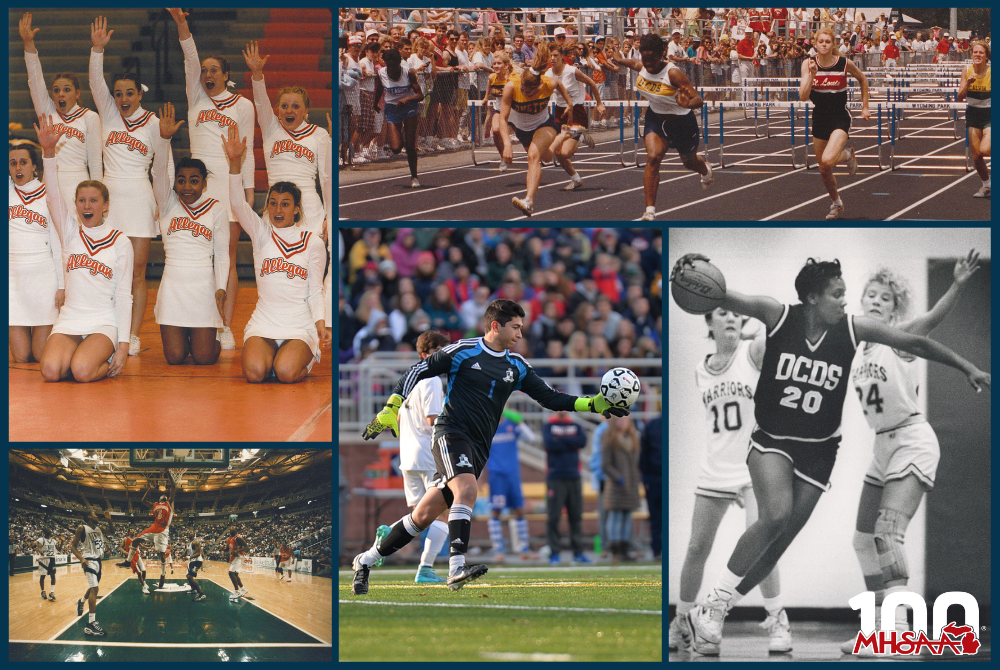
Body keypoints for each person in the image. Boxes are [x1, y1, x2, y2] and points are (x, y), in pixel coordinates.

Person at [672, 254, 990, 656]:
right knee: (791, 519)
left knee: (789, 541)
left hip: (841, 447)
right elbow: (725, 296)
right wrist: (691, 275)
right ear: (812, 297)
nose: (850, 301)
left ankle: (713, 610)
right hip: (778, 439)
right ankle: (717, 609)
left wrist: (966, 365)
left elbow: (917, 339)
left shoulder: (861, 332)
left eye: (864, 295)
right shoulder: (780, 315)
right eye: (842, 294)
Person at [353, 299, 628, 594]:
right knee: (467, 491)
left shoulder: (517, 365)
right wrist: (391, 406)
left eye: (522, 328)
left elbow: (550, 398)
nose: (520, 334)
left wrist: (593, 403)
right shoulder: (462, 351)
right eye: (516, 327)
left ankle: (365, 561)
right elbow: (418, 370)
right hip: (450, 433)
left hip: (479, 446)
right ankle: (456, 568)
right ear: (495, 326)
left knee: (422, 517)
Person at [839, 251, 980, 653]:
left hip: (912, 439)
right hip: (882, 445)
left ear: (894, 308)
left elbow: (932, 320)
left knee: (888, 532)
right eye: (873, 295)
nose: (878, 301)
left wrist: (956, 283)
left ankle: (898, 629)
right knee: (863, 540)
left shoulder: (899, 338)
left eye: (886, 297)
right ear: (861, 301)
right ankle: (875, 627)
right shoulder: (854, 348)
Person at [668, 309, 789, 654]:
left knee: (762, 545)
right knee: (696, 548)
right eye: (723, 313)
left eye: (736, 313)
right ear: (709, 322)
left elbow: (777, 333)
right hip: (715, 469)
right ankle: (682, 621)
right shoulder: (699, 370)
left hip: (754, 468)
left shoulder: (752, 352)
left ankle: (778, 619)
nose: (731, 318)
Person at [167, 9, 255, 350]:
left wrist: (247, 194)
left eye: (213, 69)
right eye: (204, 70)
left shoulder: (243, 105)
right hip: (194, 185)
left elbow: (245, 149)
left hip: (227, 184)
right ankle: (199, 318)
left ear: (226, 75)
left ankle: (224, 325)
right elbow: (189, 57)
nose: (206, 73)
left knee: (227, 257)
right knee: (199, 256)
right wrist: (182, 25)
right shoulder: (196, 98)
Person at [222, 125, 331, 383]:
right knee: (255, 373)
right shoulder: (261, 233)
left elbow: (315, 290)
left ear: (296, 209)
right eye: (273, 203)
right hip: (265, 322)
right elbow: (237, 204)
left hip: (299, 325)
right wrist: (235, 163)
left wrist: (320, 323)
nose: (277, 210)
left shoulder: (312, 242)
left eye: (285, 204)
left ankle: (303, 358)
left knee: (285, 373)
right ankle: (271, 355)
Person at [90, 16, 168, 357]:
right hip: (110, 198)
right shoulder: (107, 115)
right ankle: (105, 328)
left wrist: (161, 204)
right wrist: (97, 50)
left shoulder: (153, 123)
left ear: (140, 94)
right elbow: (95, 83)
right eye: (118, 93)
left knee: (137, 271)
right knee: (107, 267)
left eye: (129, 93)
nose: (123, 98)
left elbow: (163, 168)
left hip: (138, 196)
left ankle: (132, 335)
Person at [36, 115, 132, 382]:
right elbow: (53, 194)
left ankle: (100, 356)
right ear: (75, 204)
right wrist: (48, 153)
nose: (87, 206)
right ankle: (80, 353)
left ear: (106, 205)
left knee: (81, 372)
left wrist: (123, 344)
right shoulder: (69, 232)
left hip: (103, 320)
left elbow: (124, 296)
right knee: (51, 371)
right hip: (71, 318)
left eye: (93, 201)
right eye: (81, 201)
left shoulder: (120, 241)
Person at [152, 102, 229, 365]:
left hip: (202, 286)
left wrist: (220, 287)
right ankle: (184, 336)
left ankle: (207, 338)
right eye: (181, 180)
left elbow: (221, 253)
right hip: (173, 284)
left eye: (194, 181)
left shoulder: (215, 209)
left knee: (205, 358)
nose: (187, 186)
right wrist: (164, 140)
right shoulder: (167, 204)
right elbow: (158, 173)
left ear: (204, 184)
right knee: (174, 357)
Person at [611, 33, 714, 222]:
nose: (648, 63)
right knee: (653, 157)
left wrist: (687, 104)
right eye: (645, 58)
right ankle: (649, 212)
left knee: (689, 162)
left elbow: (698, 99)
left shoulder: (672, 73)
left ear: (662, 54)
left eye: (653, 58)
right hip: (656, 120)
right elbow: (633, 63)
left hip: (682, 123)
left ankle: (705, 169)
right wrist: (619, 59)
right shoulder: (641, 66)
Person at [243, 41, 328, 238]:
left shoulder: (319, 134)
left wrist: (328, 218)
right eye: (284, 106)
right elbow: (261, 102)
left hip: (310, 210)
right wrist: (257, 74)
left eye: (296, 106)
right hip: (277, 208)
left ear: (306, 111)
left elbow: (326, 180)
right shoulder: (271, 128)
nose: (289, 110)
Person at [19, 13, 102, 212]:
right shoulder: (47, 112)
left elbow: (96, 162)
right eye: (56, 90)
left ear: (77, 93)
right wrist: (29, 44)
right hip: (50, 181)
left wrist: (98, 194)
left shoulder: (90, 117)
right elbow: (35, 80)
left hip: (79, 184)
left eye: (66, 89)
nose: (60, 94)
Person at [395, 329, 452, 583]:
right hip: (428, 455)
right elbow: (432, 420)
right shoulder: (431, 380)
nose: (443, 357)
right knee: (444, 513)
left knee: (419, 516)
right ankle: (426, 569)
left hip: (407, 456)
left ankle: (387, 535)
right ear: (424, 355)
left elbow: (396, 420)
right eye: (438, 352)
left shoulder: (408, 380)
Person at [799, 28, 869, 220]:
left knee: (828, 159)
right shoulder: (808, 63)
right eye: (820, 41)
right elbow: (803, 96)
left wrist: (865, 106)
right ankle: (837, 203)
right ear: (815, 43)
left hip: (839, 116)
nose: (823, 44)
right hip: (820, 117)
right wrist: (812, 75)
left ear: (833, 44)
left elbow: (862, 79)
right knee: (823, 169)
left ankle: (848, 154)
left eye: (827, 42)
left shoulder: (844, 63)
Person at [498, 43, 576, 216]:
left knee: (533, 156)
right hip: (522, 130)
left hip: (544, 125)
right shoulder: (511, 86)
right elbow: (503, 118)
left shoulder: (547, 84)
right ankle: (565, 134)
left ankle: (529, 201)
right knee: (546, 158)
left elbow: (559, 85)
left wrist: (569, 105)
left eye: (530, 92)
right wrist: (507, 144)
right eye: (523, 91)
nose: (526, 94)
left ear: (538, 87)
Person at [9, 139, 65, 364]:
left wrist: (62, 285)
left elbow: (59, 243)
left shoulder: (48, 194)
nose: (18, 168)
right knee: (22, 357)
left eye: (24, 162)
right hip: (13, 280)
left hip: (43, 277)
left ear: (34, 166)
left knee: (42, 354)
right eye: (13, 163)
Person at [486, 404, 539, 563]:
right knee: (496, 511)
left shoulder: (511, 425)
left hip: (512, 475)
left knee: (519, 510)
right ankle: (498, 550)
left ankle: (523, 549)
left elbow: (532, 438)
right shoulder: (488, 427)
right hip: (496, 476)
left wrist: (520, 422)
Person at [548, 42, 604, 191]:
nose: (552, 58)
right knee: (558, 153)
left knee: (566, 152)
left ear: (561, 58)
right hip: (560, 112)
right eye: (551, 56)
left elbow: (591, 83)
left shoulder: (572, 71)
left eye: (555, 56)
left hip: (577, 111)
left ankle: (580, 135)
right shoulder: (548, 74)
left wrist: (599, 103)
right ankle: (576, 178)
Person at [542, 409, 591, 565]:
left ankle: (578, 552)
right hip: (555, 477)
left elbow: (582, 442)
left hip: (574, 476)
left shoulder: (576, 425)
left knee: (576, 517)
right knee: (554, 517)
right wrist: (570, 441)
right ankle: (554, 553)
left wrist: (560, 440)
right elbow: (550, 443)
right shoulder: (548, 425)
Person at [372, 48, 424, 189]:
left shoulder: (408, 73)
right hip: (392, 108)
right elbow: (380, 89)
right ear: (386, 64)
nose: (393, 69)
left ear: (399, 63)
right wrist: (375, 103)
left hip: (409, 107)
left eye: (395, 66)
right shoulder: (381, 73)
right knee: (396, 148)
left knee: (410, 146)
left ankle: (414, 176)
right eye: (390, 66)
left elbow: (420, 95)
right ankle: (400, 135)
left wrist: (407, 98)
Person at [71, 509, 114, 637]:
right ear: (89, 516)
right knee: (95, 589)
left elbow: (112, 532)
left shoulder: (99, 528)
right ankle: (90, 625)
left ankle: (82, 601)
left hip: (99, 562)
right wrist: (82, 558)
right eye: (95, 514)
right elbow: (73, 546)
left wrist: (109, 519)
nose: (97, 516)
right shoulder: (81, 528)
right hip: (89, 561)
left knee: (92, 588)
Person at [957, 41, 990, 198]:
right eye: (975, 52)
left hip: (990, 113)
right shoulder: (967, 70)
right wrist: (968, 84)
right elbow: (960, 97)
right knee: (976, 156)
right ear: (971, 55)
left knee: (985, 149)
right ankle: (987, 185)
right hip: (973, 114)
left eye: (981, 52)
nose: (978, 55)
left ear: (986, 56)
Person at [136, 482, 176, 589]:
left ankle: (163, 574)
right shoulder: (155, 505)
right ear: (159, 499)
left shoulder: (169, 503)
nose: (164, 496)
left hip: (163, 530)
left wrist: (170, 476)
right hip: (154, 527)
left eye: (165, 496)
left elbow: (173, 488)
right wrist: (149, 488)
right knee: (136, 540)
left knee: (162, 554)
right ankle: (128, 560)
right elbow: (143, 501)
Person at [482, 53, 513, 170]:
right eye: (494, 63)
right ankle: (503, 158)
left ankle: (534, 156)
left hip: (514, 110)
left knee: (523, 135)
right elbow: (489, 86)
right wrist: (486, 98)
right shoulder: (492, 77)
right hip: (499, 109)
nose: (496, 66)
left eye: (499, 63)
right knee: (495, 130)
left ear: (506, 65)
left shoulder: (511, 78)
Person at [222, 526, 249, 599]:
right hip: (233, 558)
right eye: (230, 529)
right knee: (235, 575)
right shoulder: (228, 539)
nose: (231, 530)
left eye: (233, 529)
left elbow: (247, 548)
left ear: (236, 531)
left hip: (239, 557)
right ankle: (243, 589)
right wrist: (223, 549)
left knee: (231, 573)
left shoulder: (238, 538)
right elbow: (227, 549)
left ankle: (237, 592)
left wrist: (237, 551)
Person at [35, 528, 59, 601]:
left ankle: (52, 593)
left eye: (50, 531)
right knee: (42, 576)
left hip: (52, 558)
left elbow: (59, 549)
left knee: (53, 576)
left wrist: (62, 542)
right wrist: (40, 551)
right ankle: (43, 591)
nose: (49, 531)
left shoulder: (54, 541)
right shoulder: (40, 540)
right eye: (48, 531)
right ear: (44, 532)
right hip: (44, 559)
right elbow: (38, 548)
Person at [185, 535, 207, 600]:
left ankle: (201, 594)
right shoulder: (189, 543)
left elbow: (198, 553)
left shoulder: (196, 542)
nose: (190, 533)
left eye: (191, 533)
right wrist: (180, 556)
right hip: (192, 561)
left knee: (190, 577)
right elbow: (186, 552)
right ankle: (193, 589)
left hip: (197, 561)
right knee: (188, 576)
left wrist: (189, 557)